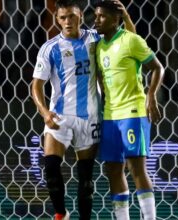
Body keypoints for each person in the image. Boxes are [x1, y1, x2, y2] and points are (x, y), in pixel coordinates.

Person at [31, 0, 135, 219]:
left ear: (80, 16)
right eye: (62, 18)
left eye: (71, 16)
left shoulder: (95, 39)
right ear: (57, 19)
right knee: (50, 167)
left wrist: (125, 17)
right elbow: (36, 85)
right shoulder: (49, 48)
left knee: (86, 178)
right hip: (59, 116)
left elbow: (130, 40)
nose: (67, 22)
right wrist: (44, 112)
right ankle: (61, 214)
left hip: (90, 117)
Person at [94, 1, 165, 219]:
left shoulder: (130, 40)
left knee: (137, 169)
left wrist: (151, 95)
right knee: (114, 170)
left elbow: (157, 67)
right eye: (95, 16)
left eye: (102, 17)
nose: (96, 20)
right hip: (109, 115)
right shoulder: (98, 46)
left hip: (132, 112)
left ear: (116, 20)